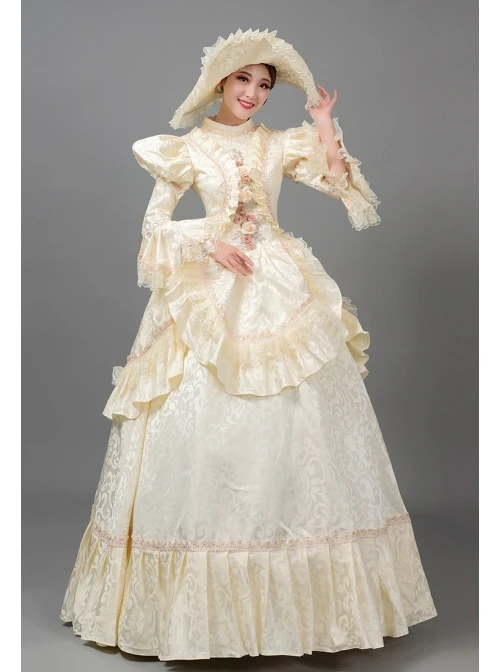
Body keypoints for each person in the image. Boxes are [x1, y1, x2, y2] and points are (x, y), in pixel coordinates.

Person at [60, 28, 437, 661]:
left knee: (300, 426)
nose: (255, 93)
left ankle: (301, 608)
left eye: (264, 85)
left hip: (279, 282)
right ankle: (201, 610)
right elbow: (154, 227)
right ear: (221, 82)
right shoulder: (186, 149)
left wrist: (323, 122)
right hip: (211, 289)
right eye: (245, 80)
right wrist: (209, 242)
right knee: (203, 430)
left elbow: (338, 181)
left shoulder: (277, 143)